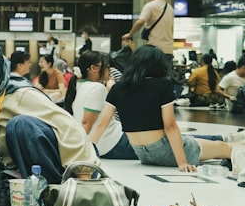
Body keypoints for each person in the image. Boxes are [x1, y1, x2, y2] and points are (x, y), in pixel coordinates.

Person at [0, 36, 99, 183]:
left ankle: (50, 193)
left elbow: (70, 128)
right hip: (10, 174)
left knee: (21, 125)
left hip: (60, 172)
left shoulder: (19, 94)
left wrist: (83, 178)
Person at [91, 45, 233, 172]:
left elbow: (102, 124)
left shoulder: (118, 88)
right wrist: (182, 163)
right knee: (223, 147)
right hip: (164, 150)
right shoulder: (162, 85)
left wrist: (87, 153)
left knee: (193, 140)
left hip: (141, 154)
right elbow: (170, 126)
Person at [64, 51, 136, 160]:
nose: (110, 71)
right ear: (94, 68)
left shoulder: (79, 86)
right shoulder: (97, 88)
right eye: (107, 67)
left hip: (104, 143)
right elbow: (87, 122)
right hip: (114, 142)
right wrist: (83, 152)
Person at [125, 0, 173, 65]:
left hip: (154, 50)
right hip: (168, 51)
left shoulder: (150, 6)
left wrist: (130, 34)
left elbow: (140, 22)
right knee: (165, 76)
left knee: (151, 76)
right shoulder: (170, 8)